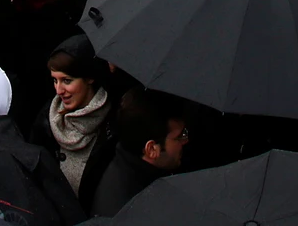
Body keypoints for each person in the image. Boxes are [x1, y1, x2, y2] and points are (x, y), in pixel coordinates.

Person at [35, 35, 115, 205]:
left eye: (67, 81)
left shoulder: (114, 122)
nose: (59, 90)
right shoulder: (45, 120)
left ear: (90, 78)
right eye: (55, 81)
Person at [89, 89, 190, 217]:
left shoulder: (127, 165)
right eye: (180, 136)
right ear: (152, 149)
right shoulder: (130, 211)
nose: (186, 140)